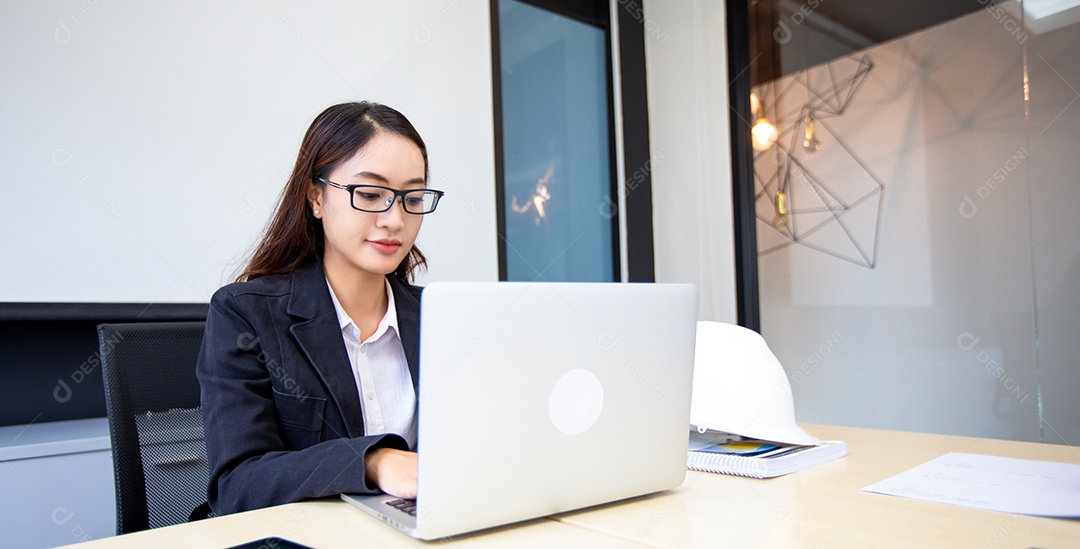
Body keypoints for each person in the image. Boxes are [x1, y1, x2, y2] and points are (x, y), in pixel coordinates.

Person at [196, 102, 444, 515]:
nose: (394, 220)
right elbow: (236, 485)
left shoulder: (438, 316)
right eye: (370, 194)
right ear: (316, 197)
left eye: (412, 198)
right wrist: (373, 462)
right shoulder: (245, 315)